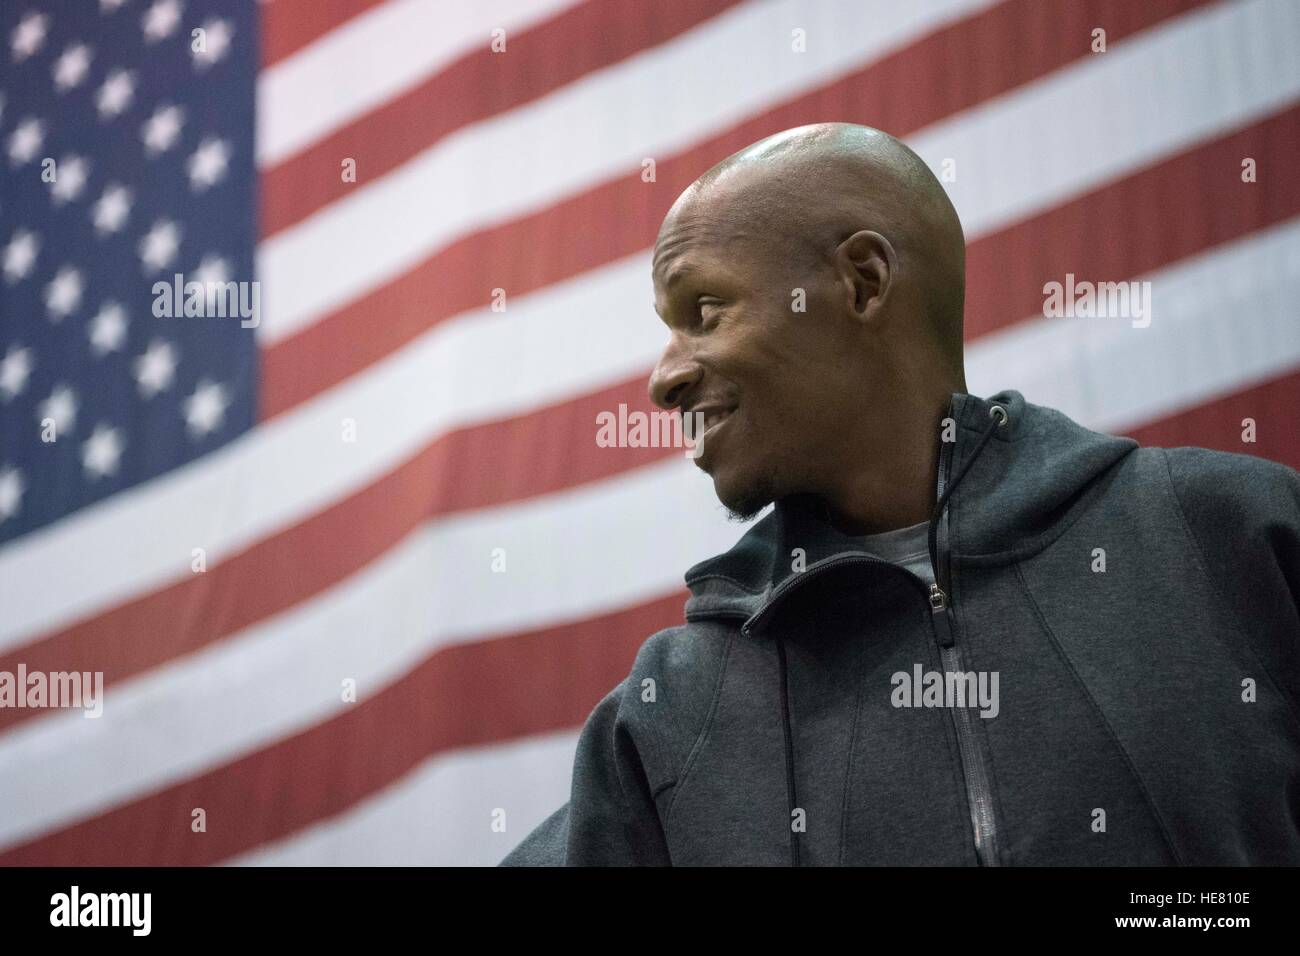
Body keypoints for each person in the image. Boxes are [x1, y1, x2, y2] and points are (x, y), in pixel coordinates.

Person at [500, 123, 1300, 866]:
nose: (662, 380)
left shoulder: (1236, 534)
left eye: (703, 311)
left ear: (863, 281)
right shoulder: (668, 709)